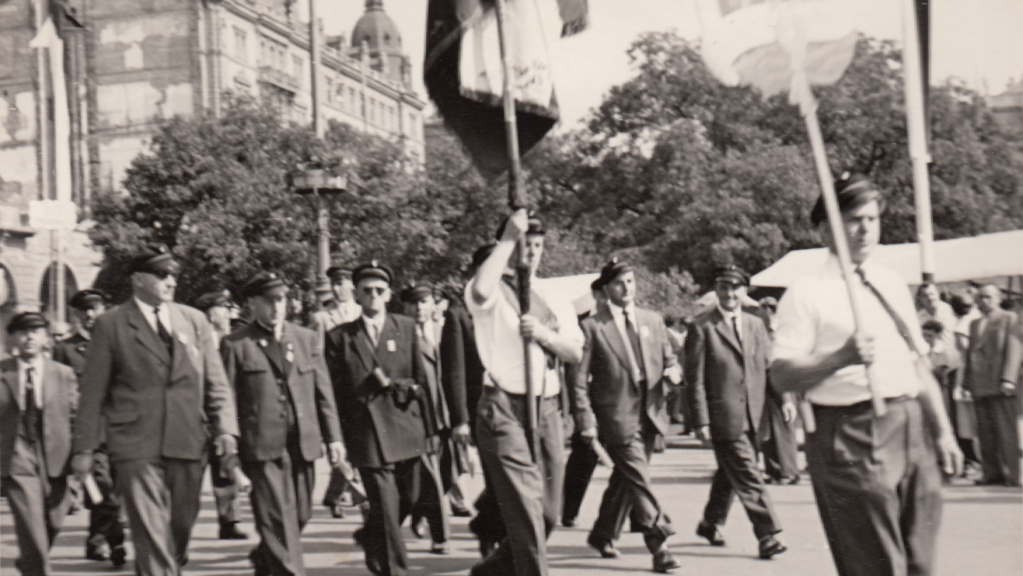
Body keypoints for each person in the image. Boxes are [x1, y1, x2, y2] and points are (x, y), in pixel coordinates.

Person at [770, 173, 963, 576]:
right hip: (850, 433)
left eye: (872, 219)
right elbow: (782, 375)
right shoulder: (806, 293)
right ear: (825, 229)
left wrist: (942, 432)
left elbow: (917, 364)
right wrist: (839, 358)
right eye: (853, 220)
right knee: (875, 566)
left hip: (910, 427)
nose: (864, 230)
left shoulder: (890, 282)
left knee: (920, 563)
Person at [70, 243, 239, 576]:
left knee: (179, 527)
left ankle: (162, 566)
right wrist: (84, 449)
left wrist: (226, 430)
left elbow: (215, 381)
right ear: (137, 280)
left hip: (188, 438)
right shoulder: (111, 325)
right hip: (135, 443)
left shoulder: (193, 320)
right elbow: (92, 394)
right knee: (149, 526)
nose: (171, 282)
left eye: (173, 275)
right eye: (162, 275)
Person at [465, 209, 583, 576]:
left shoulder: (553, 294)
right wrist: (507, 240)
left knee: (547, 512)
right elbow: (481, 291)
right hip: (502, 407)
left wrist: (544, 334)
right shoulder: (491, 288)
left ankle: (492, 571)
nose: (530, 253)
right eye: (524, 244)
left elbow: (575, 351)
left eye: (537, 246)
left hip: (545, 407)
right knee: (527, 508)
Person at [220, 271, 345, 576]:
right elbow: (225, 400)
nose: (277, 307)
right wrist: (230, 447)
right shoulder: (236, 344)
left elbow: (323, 393)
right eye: (268, 300)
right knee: (278, 521)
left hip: (302, 443)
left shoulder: (305, 338)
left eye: (281, 299)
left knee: (299, 514)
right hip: (261, 446)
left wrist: (334, 439)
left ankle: (266, 558)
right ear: (252, 303)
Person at [570, 258, 681, 573]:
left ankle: (603, 533)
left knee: (627, 478)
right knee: (638, 478)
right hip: (616, 416)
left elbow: (669, 357)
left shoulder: (652, 320)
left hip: (650, 412)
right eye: (620, 283)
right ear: (606, 289)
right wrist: (586, 420)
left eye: (631, 282)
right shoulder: (593, 327)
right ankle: (660, 545)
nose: (627, 288)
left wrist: (673, 369)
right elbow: (578, 382)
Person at [324, 261, 428, 576]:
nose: (372, 296)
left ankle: (370, 535)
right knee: (384, 502)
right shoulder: (340, 336)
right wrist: (337, 438)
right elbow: (332, 392)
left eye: (379, 291)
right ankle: (396, 569)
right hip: (366, 432)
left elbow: (420, 381)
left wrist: (402, 388)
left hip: (404, 425)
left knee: (409, 498)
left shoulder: (405, 327)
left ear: (388, 294)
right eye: (366, 290)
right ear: (355, 294)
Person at [685, 265, 786, 560]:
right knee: (748, 473)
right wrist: (700, 420)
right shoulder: (702, 326)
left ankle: (710, 522)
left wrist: (786, 399)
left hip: (755, 415)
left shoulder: (755, 324)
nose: (729, 294)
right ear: (716, 290)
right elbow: (695, 380)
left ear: (744, 292)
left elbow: (769, 367)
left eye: (735, 288)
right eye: (724, 288)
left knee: (731, 473)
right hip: (723, 417)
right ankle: (767, 534)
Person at [52, 290, 127, 566]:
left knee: (117, 489)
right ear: (75, 315)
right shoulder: (65, 349)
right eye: (84, 311)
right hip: (89, 430)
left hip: (121, 426)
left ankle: (97, 540)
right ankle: (115, 540)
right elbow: (57, 392)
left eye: (95, 309)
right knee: (104, 487)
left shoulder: (116, 342)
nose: (90, 315)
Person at [1, 312, 78, 576]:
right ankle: (37, 569)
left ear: (46, 338)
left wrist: (84, 455)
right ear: (11, 338)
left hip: (56, 455)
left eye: (36, 332)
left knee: (53, 520)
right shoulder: (2, 372)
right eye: (22, 332)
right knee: (30, 521)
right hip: (16, 454)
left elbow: (76, 415)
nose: (29, 338)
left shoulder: (63, 373)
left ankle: (30, 561)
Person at [440, 248, 503, 557]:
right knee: (497, 474)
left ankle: (489, 523)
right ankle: (492, 534)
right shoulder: (459, 313)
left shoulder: (514, 306)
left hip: (517, 404)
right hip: (481, 409)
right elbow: (454, 371)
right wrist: (460, 420)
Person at [194, 289, 251, 541]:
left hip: (226, 416)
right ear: (210, 314)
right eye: (222, 308)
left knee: (226, 468)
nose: (227, 312)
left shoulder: (235, 339)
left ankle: (229, 521)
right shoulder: (197, 340)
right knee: (193, 472)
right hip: (199, 418)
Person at [401, 282, 452, 555]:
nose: (420, 308)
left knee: (448, 474)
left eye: (424, 302)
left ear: (434, 305)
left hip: (444, 416)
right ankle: (440, 535)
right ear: (405, 307)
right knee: (432, 477)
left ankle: (418, 512)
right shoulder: (401, 336)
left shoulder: (443, 332)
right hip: (419, 418)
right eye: (414, 303)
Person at [311, 266, 363, 518]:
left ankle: (334, 494)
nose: (336, 288)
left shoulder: (363, 312)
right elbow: (317, 357)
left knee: (355, 445)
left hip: (361, 388)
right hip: (335, 389)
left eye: (342, 282)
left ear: (352, 285)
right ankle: (360, 494)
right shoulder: (321, 318)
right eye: (334, 283)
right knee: (341, 443)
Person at [561, 279, 608, 530]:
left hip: (620, 402)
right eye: (604, 294)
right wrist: (580, 412)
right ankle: (569, 509)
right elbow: (575, 373)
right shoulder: (582, 325)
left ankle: (635, 517)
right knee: (584, 458)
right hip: (590, 401)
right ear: (596, 295)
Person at [964, 284, 1022, 486]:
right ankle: (992, 473)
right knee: (985, 433)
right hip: (980, 386)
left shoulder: (1009, 318)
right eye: (980, 297)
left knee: (1006, 432)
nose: (983, 301)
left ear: (998, 298)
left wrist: (1009, 379)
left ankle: (1012, 475)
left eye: (988, 297)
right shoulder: (974, 324)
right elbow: (969, 355)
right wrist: (967, 382)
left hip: (1000, 384)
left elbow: (1015, 350)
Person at [755, 296, 800, 485]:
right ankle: (776, 469)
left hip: (780, 385)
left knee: (782, 430)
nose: (767, 311)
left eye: (770, 308)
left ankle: (787, 471)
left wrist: (787, 398)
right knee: (771, 432)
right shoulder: (767, 333)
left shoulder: (777, 335)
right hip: (769, 386)